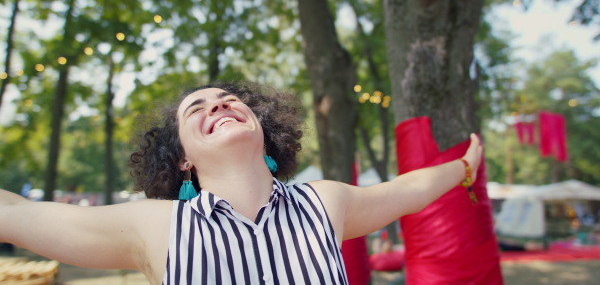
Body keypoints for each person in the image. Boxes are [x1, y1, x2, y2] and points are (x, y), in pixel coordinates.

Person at [0, 81, 483, 284]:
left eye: (229, 100)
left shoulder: (324, 202)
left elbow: (403, 191)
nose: (218, 105)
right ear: (183, 158)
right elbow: (16, 214)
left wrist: (463, 169)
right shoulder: (153, 225)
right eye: (198, 107)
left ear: (263, 130)